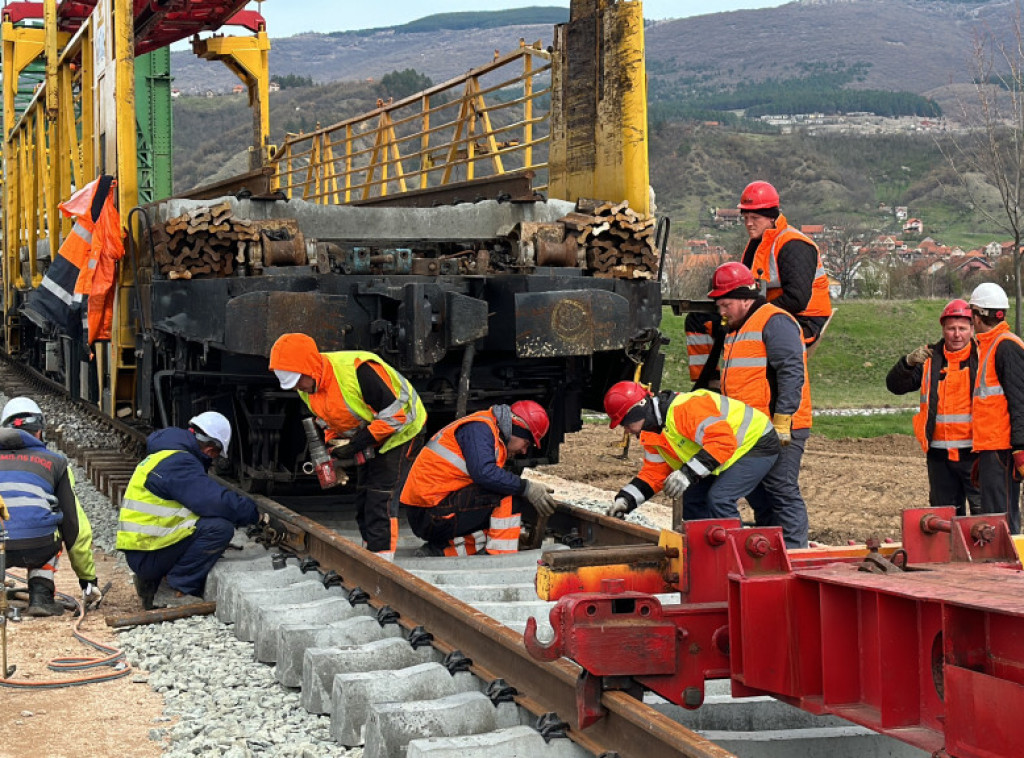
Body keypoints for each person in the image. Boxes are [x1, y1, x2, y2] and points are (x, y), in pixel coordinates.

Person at [269, 334, 427, 560]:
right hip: (373, 432)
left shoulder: (358, 370)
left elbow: (396, 417)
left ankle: (382, 559)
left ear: (310, 368)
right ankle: (370, 553)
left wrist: (356, 444)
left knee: (380, 496)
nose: (295, 388)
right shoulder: (308, 389)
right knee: (363, 497)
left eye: (296, 381)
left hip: (403, 432)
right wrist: (332, 448)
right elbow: (328, 419)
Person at [708, 262, 812, 548]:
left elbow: (791, 372)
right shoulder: (737, 328)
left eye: (726, 304)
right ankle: (773, 548)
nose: (721, 311)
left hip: (779, 426)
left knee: (781, 489)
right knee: (759, 493)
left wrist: (783, 419)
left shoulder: (773, 321)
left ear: (745, 298)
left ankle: (793, 551)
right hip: (753, 428)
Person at [117, 412, 260, 609]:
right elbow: (214, 502)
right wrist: (254, 514)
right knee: (219, 529)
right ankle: (175, 589)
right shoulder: (179, 462)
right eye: (216, 456)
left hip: (143, 549)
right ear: (211, 449)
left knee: (202, 521)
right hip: (147, 554)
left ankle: (149, 583)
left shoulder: (165, 454)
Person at [603, 382, 779, 522]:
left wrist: (687, 474)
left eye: (625, 423)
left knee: (720, 499)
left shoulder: (684, 409)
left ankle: (734, 558)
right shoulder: (651, 432)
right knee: (691, 501)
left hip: (757, 442)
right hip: (727, 451)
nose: (626, 430)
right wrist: (626, 500)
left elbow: (722, 442)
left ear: (638, 411)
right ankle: (708, 550)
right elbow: (654, 474)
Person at [400, 401, 556, 556]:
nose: (524, 450)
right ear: (517, 428)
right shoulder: (481, 429)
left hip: (429, 511)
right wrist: (527, 488)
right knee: (509, 496)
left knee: (496, 517)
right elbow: (484, 473)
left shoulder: (487, 429)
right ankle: (500, 555)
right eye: (526, 443)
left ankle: (442, 550)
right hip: (431, 514)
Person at [0, 397, 99, 616]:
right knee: (52, 525)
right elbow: (74, 525)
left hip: (0, 547)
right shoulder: (56, 462)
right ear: (39, 432)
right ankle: (41, 597)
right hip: (38, 545)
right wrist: (87, 579)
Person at [886, 299, 979, 516]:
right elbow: (895, 386)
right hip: (939, 454)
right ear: (943, 329)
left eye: (962, 329)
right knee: (945, 518)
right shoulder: (929, 359)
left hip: (975, 454)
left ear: (972, 329)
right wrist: (907, 362)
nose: (957, 334)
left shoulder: (983, 357)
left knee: (981, 517)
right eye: (951, 328)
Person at [738, 180, 833, 346]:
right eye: (745, 218)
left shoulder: (794, 245)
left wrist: (753, 313)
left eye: (755, 218)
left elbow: (796, 300)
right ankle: (709, 372)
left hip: (805, 320)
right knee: (702, 321)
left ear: (771, 218)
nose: (749, 224)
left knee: (750, 338)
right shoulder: (757, 244)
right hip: (776, 314)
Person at [968, 283, 1024, 534]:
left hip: (1002, 449)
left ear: (978, 316)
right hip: (992, 447)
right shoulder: (990, 346)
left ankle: (1011, 570)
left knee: (1002, 518)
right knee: (994, 515)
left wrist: (1020, 448)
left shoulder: (1004, 346)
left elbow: (1019, 400)